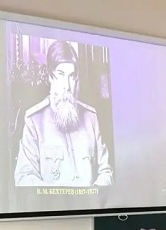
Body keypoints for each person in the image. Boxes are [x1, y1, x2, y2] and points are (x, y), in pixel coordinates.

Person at [14, 40, 113, 187]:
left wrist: (94, 193)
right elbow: (24, 178)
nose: (66, 86)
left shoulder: (91, 118)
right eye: (60, 75)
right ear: (50, 76)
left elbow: (106, 172)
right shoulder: (34, 121)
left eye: (71, 76)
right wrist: (59, 197)